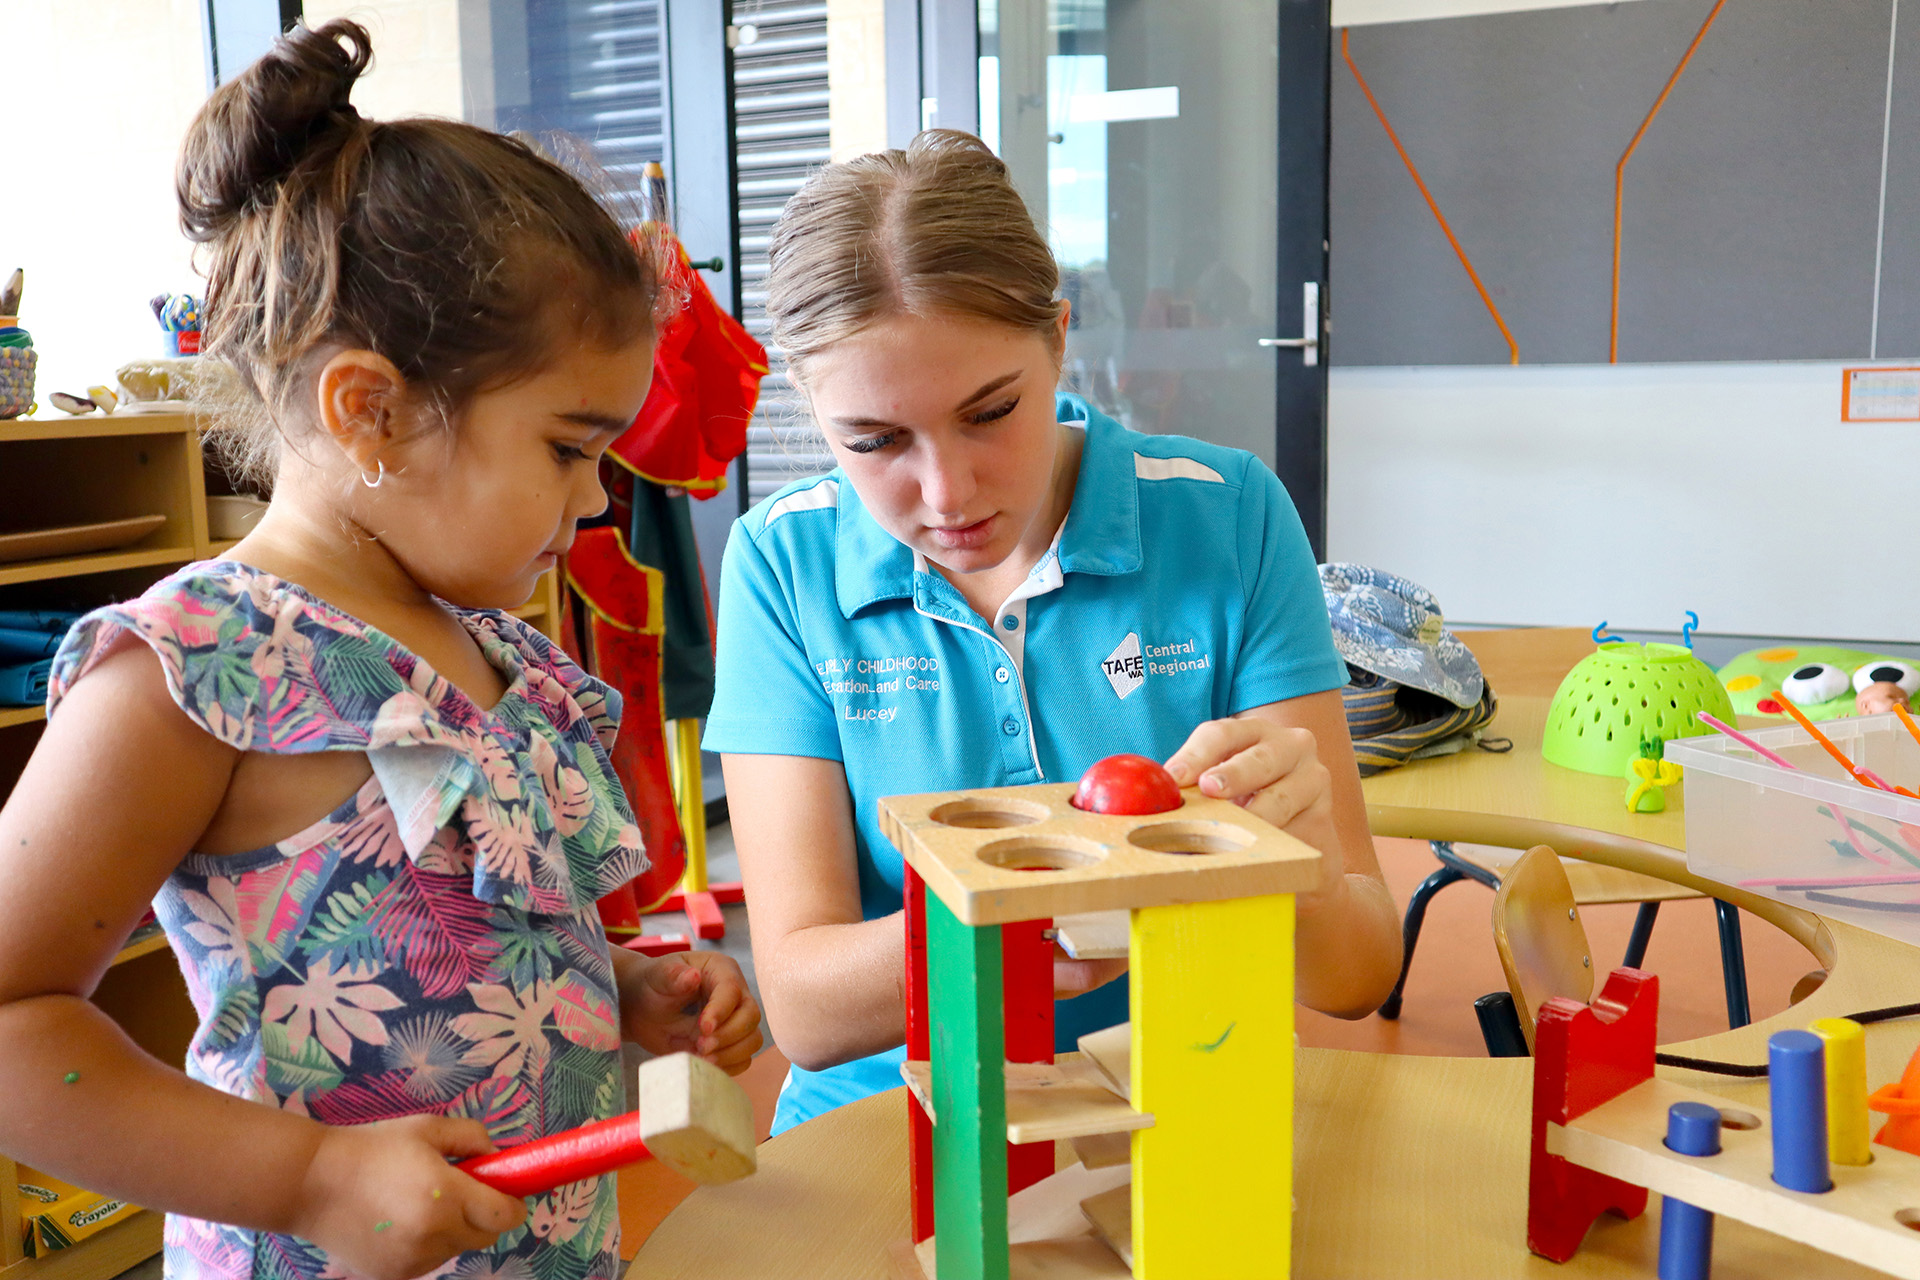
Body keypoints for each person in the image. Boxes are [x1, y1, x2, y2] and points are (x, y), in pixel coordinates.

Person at [0, 22, 760, 1280]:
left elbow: (464, 935)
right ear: (374, 411)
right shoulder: (195, 669)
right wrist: (306, 1176)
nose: (595, 500)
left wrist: (618, 984)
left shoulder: (496, 651)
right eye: (569, 448)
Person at [704, 130, 1401, 1135]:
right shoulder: (784, 561)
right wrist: (1015, 926)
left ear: (1061, 338)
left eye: (991, 411)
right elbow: (806, 1011)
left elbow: (1359, 975)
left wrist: (1306, 872)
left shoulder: (1228, 515)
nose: (948, 492)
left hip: (1188, 1094)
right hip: (888, 1121)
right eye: (877, 440)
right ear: (812, 407)